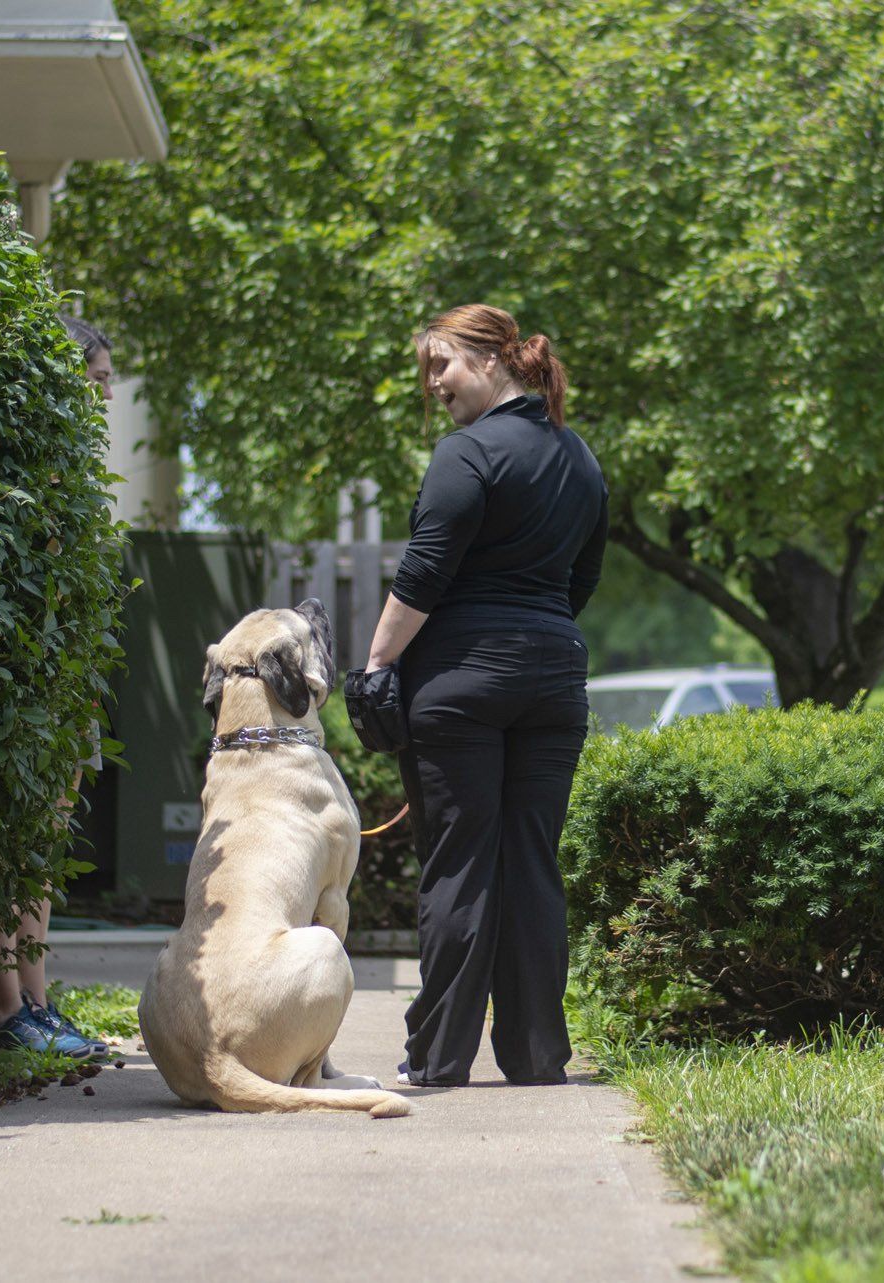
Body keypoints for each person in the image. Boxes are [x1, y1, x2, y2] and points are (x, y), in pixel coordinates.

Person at [367, 303, 608, 1087]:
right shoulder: (580, 458)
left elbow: (423, 576)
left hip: (461, 681)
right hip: (553, 676)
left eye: (444, 364)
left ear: (496, 360)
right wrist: (531, 634)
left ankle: (438, 1059)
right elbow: (584, 579)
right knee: (532, 862)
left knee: (459, 864)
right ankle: (539, 1055)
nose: (434, 382)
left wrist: (376, 665)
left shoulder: (463, 455)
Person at [0, 315, 115, 1059]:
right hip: (15, 683)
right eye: (96, 381)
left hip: (62, 680)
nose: (107, 395)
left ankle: (37, 1002)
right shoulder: (24, 463)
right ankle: (3, 1014)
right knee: (3, 847)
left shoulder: (80, 467)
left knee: (41, 851)